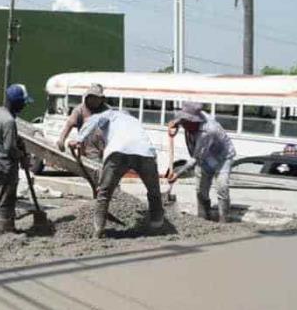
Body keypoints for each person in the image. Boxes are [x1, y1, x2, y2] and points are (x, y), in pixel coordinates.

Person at [69, 108, 163, 238]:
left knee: (104, 194)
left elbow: (93, 120)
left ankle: (98, 231)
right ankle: (157, 227)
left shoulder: (111, 114)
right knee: (154, 192)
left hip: (119, 150)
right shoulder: (134, 121)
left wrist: (79, 139)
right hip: (145, 152)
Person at [168, 101, 236, 223]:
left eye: (185, 123)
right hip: (205, 156)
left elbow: (195, 158)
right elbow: (179, 120)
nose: (184, 125)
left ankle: (224, 220)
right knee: (201, 189)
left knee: (222, 187)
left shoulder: (208, 131)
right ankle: (203, 219)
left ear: (194, 121)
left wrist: (177, 174)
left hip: (222, 157)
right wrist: (175, 124)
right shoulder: (195, 115)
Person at [0, 83, 32, 234]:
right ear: (15, 102)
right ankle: (5, 230)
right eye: (22, 103)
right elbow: (9, 148)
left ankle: (6, 227)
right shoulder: (9, 121)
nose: (23, 107)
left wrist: (18, 140)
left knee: (3, 196)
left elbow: (7, 139)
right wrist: (22, 156)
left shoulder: (0, 114)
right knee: (7, 199)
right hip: (6, 165)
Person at [57, 83, 107, 156]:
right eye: (92, 97)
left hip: (103, 150)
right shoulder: (80, 110)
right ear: (88, 97)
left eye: (97, 98)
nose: (94, 100)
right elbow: (68, 125)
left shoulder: (107, 111)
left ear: (101, 99)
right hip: (86, 150)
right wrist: (61, 140)